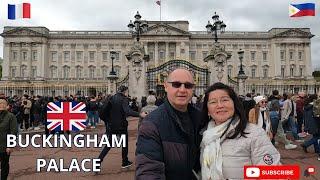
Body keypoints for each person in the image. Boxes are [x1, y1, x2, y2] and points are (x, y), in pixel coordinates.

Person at [199, 83, 280, 179]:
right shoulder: (205, 136)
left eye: (225, 100)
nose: (220, 105)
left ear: (234, 104)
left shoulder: (254, 133)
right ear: (208, 110)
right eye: (213, 102)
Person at [136, 68, 201, 179]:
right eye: (176, 84)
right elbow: (149, 172)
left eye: (188, 85)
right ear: (166, 86)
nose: (182, 89)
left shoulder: (201, 118)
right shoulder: (151, 124)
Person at [97, 86, 146, 169]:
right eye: (127, 91)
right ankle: (124, 161)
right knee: (124, 144)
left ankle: (98, 161)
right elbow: (128, 111)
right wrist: (140, 114)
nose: (128, 93)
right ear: (125, 91)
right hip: (121, 125)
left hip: (112, 125)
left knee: (108, 145)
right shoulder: (124, 99)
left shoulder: (112, 98)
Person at [0, 97, 18, 180]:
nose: (1, 104)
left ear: (7, 106)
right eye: (0, 103)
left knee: (4, 165)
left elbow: (13, 132)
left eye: (3, 103)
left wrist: (10, 146)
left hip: (4, 146)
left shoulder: (11, 116)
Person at [301, 94, 320, 160]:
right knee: (318, 136)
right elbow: (317, 115)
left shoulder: (307, 105)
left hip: (309, 123)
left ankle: (317, 149)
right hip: (315, 123)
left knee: (315, 136)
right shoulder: (314, 106)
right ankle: (306, 144)